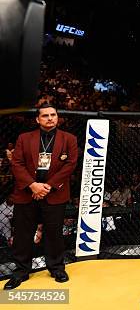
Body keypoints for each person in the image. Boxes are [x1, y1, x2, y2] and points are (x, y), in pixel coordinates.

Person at [4, 104, 78, 290]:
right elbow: (17, 164)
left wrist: (48, 186)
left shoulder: (69, 138)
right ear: (37, 119)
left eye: (53, 115)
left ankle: (56, 268)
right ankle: (21, 271)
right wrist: (33, 185)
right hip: (27, 193)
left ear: (57, 117)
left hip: (54, 193)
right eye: (45, 115)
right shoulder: (24, 138)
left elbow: (70, 164)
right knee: (22, 234)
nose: (50, 118)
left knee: (54, 233)